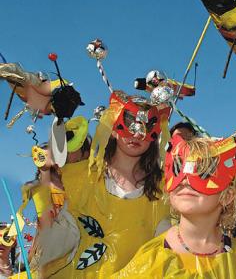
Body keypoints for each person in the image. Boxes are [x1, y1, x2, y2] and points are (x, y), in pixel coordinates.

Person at [40, 91, 171, 278]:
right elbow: (59, 155)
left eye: (147, 126)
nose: (136, 133)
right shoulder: (85, 175)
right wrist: (58, 120)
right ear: (114, 125)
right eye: (129, 121)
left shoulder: (163, 189)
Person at [113, 135, 236, 278]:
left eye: (203, 173)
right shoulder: (150, 259)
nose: (185, 181)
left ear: (228, 196)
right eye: (178, 169)